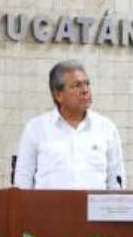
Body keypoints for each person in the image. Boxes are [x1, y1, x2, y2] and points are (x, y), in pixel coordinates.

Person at [13, 59, 126, 189]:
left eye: (87, 84)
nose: (85, 90)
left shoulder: (106, 128)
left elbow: (116, 180)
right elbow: (23, 179)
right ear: (58, 95)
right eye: (77, 85)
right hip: (48, 209)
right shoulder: (36, 128)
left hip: (93, 209)